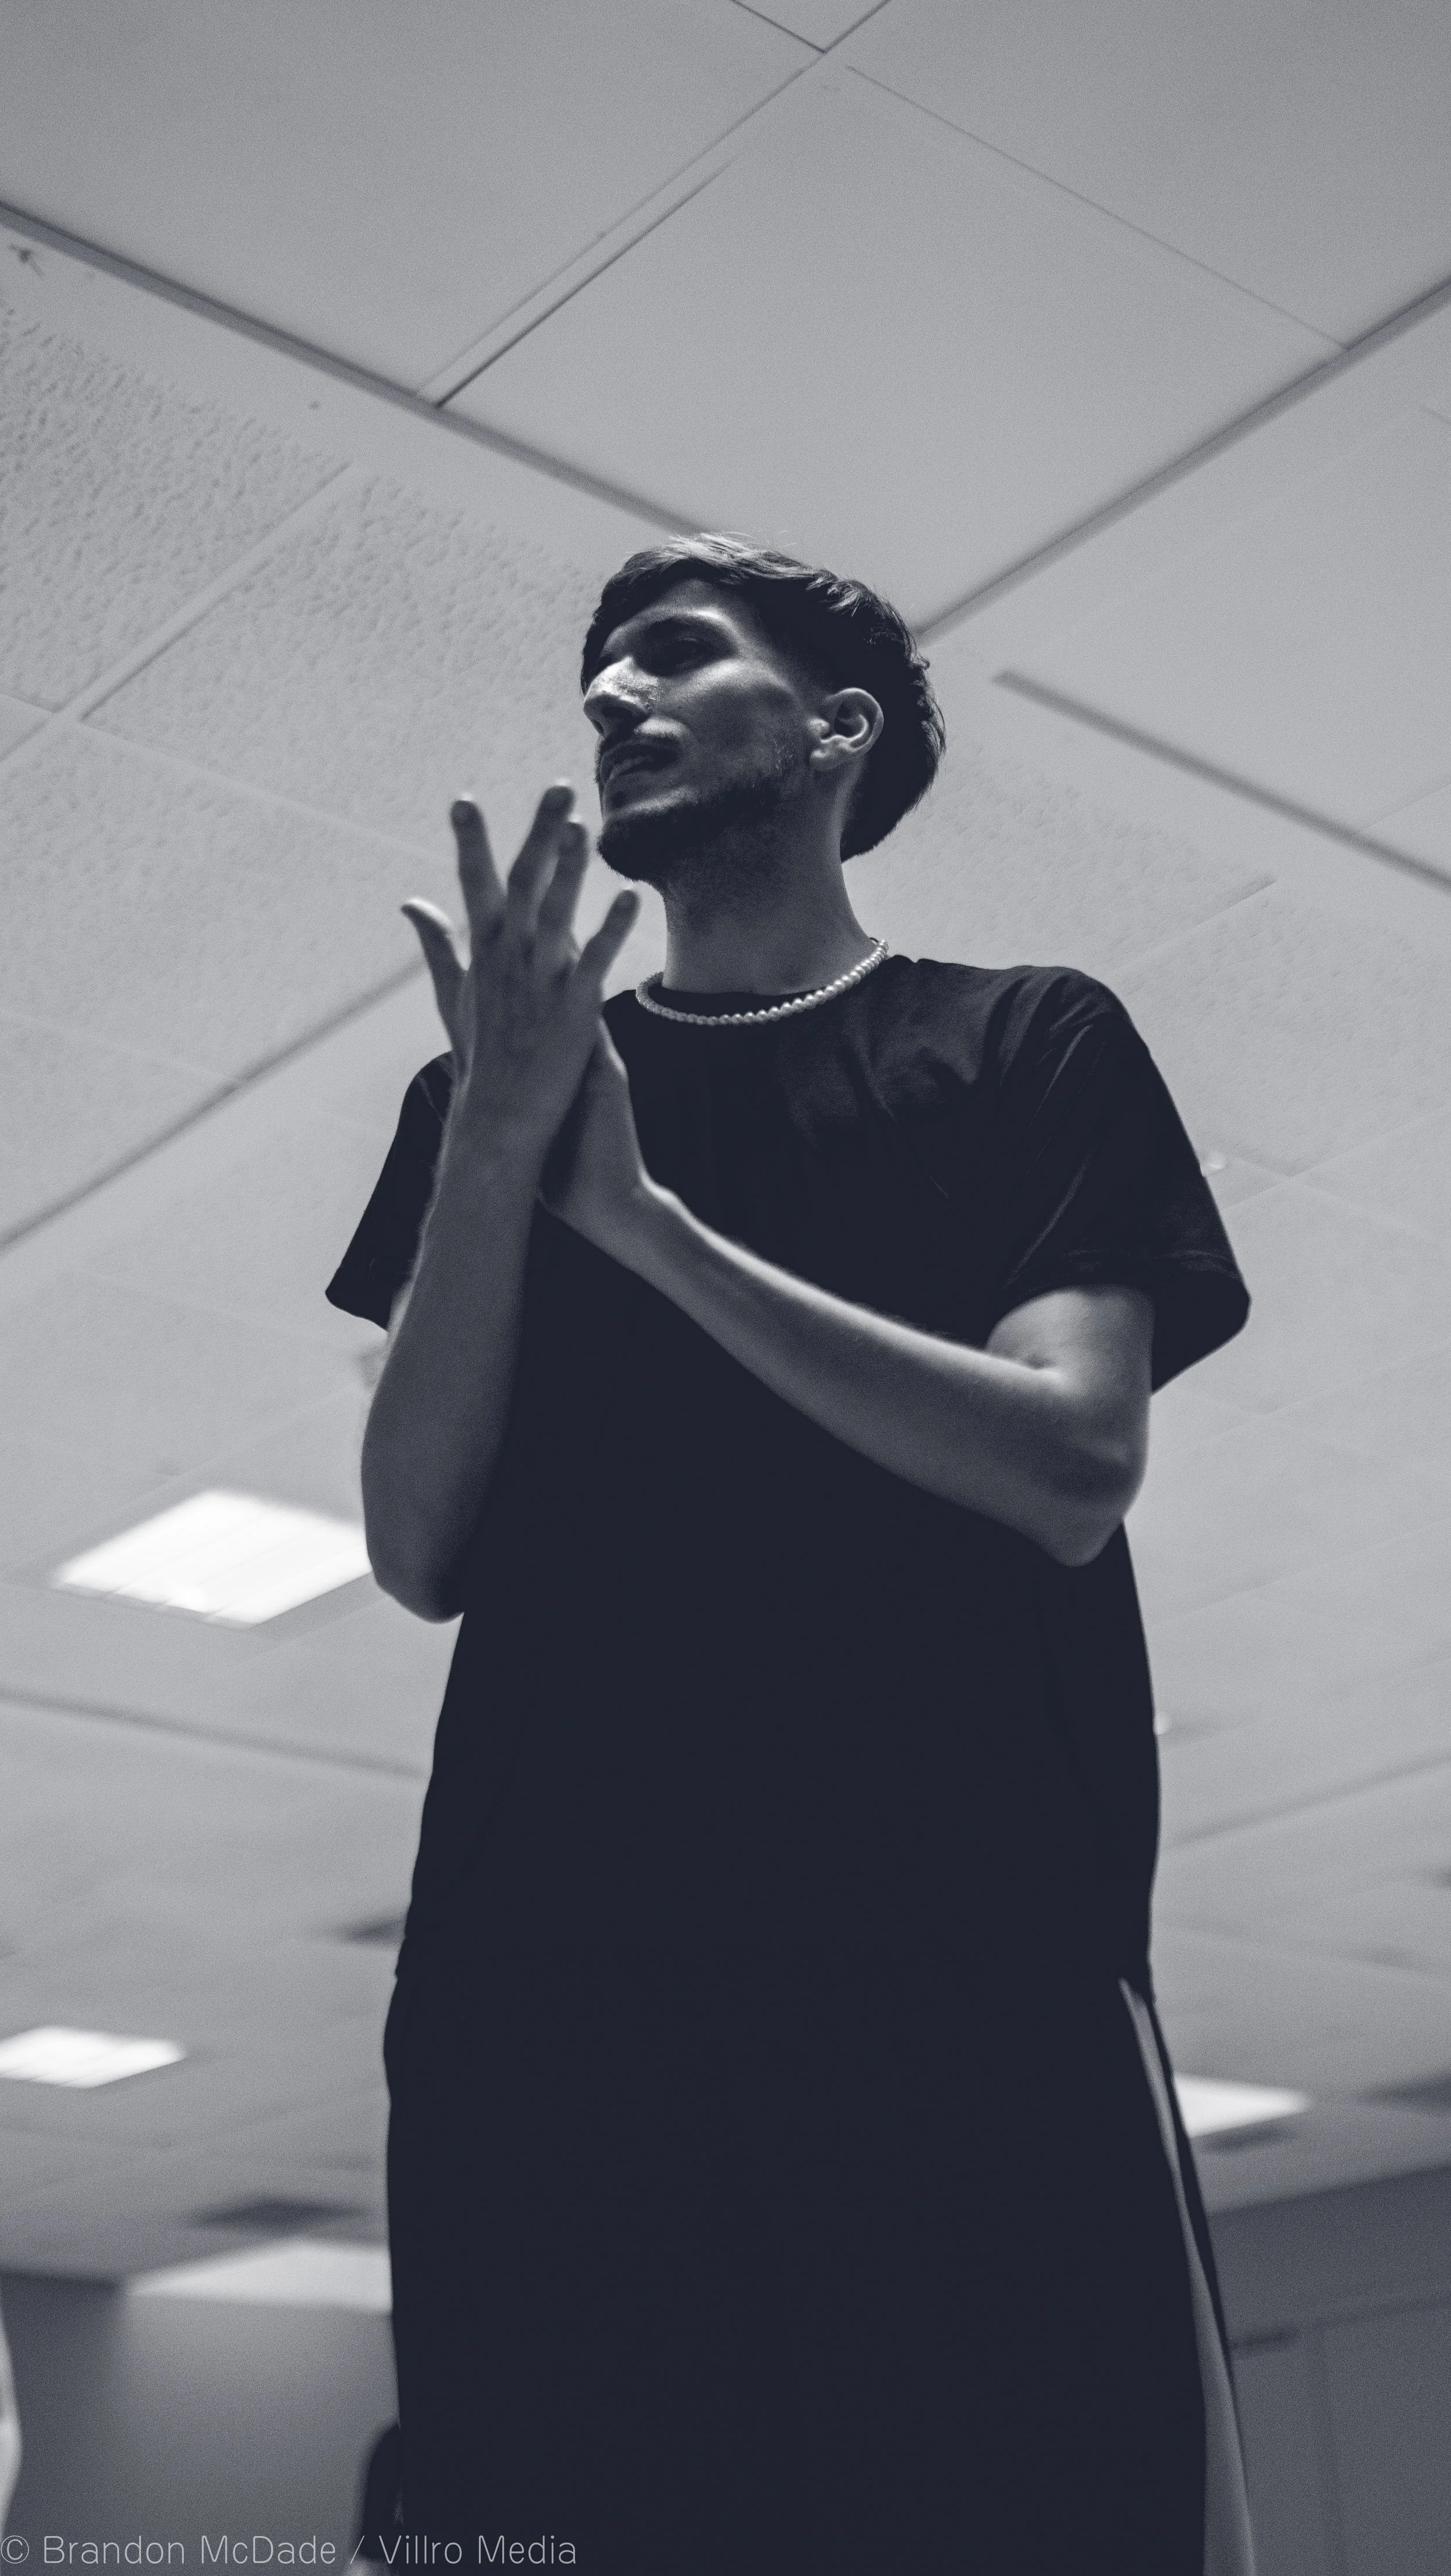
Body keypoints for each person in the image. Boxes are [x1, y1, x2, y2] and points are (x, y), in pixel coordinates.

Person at [327, 537, 1254, 2574]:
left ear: (837, 732)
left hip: (956, 1975)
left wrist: (646, 1229)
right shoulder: (476, 1101)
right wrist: (496, 1150)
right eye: (592, 673)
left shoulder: (1023, 1042)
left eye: (670, 654)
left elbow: (1071, 1459)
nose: (608, 699)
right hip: (549, 2000)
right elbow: (416, 1541)